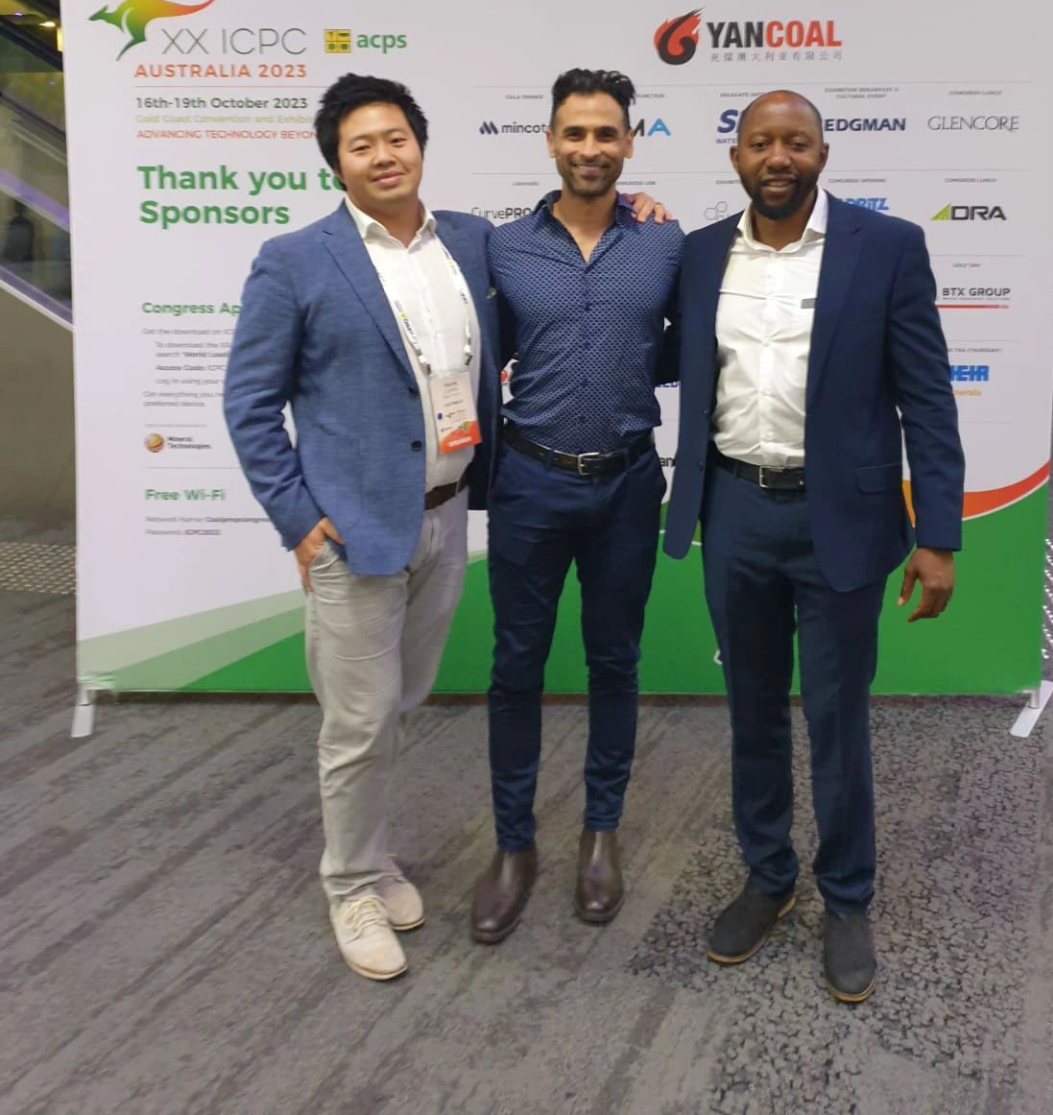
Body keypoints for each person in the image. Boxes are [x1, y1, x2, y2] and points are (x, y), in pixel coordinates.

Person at [664, 90, 964, 1004]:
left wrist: (939, 537)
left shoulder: (888, 248)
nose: (779, 157)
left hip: (842, 521)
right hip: (737, 514)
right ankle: (767, 876)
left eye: (796, 142)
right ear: (737, 158)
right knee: (752, 710)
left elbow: (927, 397)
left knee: (837, 719)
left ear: (825, 154)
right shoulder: (700, 253)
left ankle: (846, 898)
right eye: (762, 143)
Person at [224, 74, 501, 983]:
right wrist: (298, 524)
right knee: (357, 722)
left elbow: (552, 251)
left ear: (421, 144)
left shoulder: (468, 241)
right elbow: (250, 403)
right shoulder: (296, 259)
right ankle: (350, 882)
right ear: (336, 162)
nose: (383, 156)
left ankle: (376, 856)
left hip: (445, 516)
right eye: (361, 145)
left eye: (396, 139)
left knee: (401, 705)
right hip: (351, 536)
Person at [470, 68, 683, 944]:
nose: (590, 148)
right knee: (516, 667)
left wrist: (624, 369)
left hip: (630, 484)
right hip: (530, 481)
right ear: (551, 143)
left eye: (606, 134)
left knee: (614, 664)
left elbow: (679, 349)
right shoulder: (501, 246)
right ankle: (513, 847)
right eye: (574, 133)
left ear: (630, 142)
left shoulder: (669, 245)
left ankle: (602, 835)